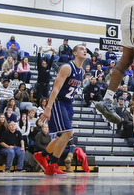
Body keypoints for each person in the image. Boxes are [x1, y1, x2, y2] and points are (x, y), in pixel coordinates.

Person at [33, 44, 86, 176]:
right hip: (58, 102)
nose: (85, 51)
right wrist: (48, 108)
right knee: (68, 133)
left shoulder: (82, 71)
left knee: (61, 137)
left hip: (68, 104)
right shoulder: (67, 67)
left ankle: (42, 155)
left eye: (85, 50)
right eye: (81, 49)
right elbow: (55, 88)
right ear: (74, 53)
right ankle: (53, 165)